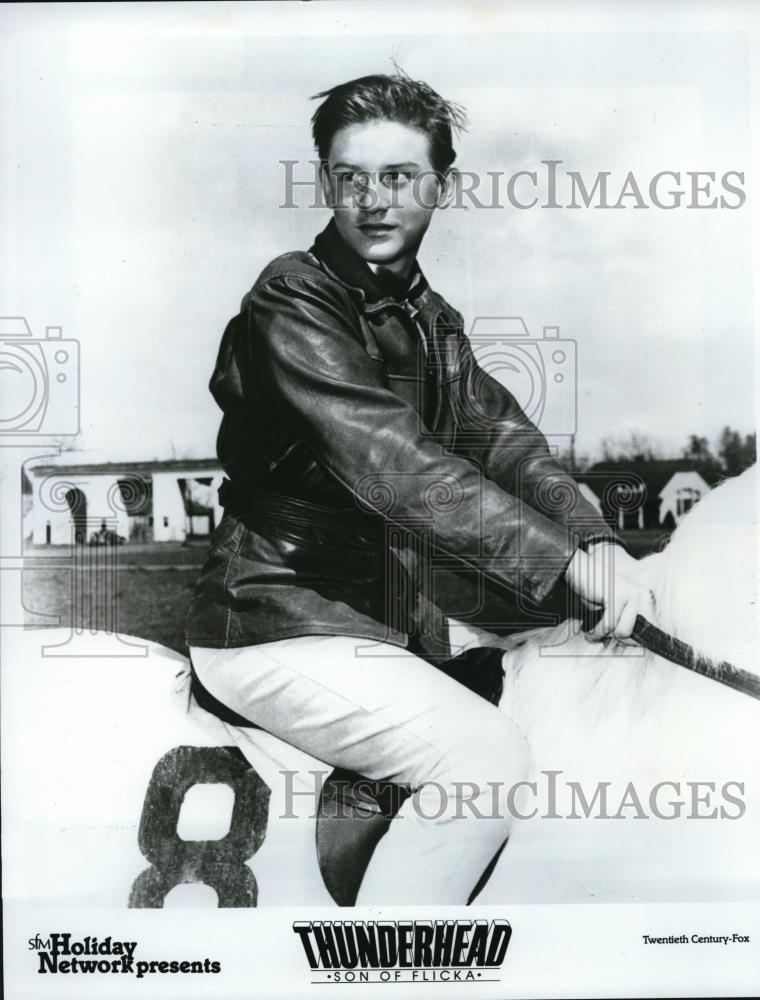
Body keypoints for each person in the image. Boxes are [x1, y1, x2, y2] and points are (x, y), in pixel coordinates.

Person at [185, 72, 649, 904]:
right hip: (273, 618)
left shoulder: (431, 319)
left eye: (398, 176)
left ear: (442, 183)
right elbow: (395, 464)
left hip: (378, 622)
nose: (373, 199)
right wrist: (563, 565)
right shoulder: (292, 298)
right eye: (351, 177)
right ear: (325, 182)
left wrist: (597, 538)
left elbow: (506, 444)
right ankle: (388, 973)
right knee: (485, 758)